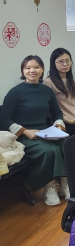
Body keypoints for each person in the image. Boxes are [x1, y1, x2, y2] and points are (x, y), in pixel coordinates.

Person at [0, 55, 68, 206]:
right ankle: (49, 186)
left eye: (36, 67)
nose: (32, 71)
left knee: (66, 144)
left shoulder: (46, 90)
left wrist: (58, 125)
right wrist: (25, 131)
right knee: (49, 150)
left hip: (45, 132)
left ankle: (65, 183)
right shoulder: (15, 92)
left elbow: (57, 113)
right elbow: (4, 119)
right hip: (23, 135)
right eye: (28, 68)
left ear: (42, 69)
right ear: (23, 71)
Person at [43, 48, 75, 135]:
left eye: (67, 60)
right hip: (64, 124)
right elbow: (49, 109)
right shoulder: (48, 82)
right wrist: (68, 120)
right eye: (61, 61)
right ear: (54, 64)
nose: (65, 64)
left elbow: (74, 102)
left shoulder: (69, 79)